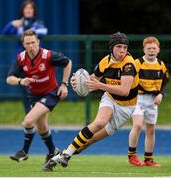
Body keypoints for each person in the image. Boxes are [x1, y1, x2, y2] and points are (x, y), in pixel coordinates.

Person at [43, 32, 139, 171]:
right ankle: (67, 155)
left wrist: (100, 86)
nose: (122, 50)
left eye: (124, 47)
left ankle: (58, 157)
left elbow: (124, 91)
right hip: (110, 99)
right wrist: (77, 82)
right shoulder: (105, 62)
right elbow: (92, 80)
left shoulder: (129, 65)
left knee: (90, 140)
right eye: (119, 47)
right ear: (112, 47)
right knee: (99, 122)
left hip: (126, 108)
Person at [6, 30, 72, 169]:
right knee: (41, 127)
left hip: (51, 93)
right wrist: (20, 81)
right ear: (23, 45)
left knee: (29, 121)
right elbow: (9, 78)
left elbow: (67, 62)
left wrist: (64, 85)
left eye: (33, 42)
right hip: (34, 96)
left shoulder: (48, 55)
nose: (31, 46)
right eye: (27, 43)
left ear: (38, 42)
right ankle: (54, 152)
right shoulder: (21, 58)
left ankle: (24, 151)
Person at [128, 36, 169, 167]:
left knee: (151, 129)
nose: (151, 50)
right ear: (144, 49)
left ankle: (148, 159)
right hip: (137, 98)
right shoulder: (137, 63)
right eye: (149, 48)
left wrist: (161, 94)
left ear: (158, 50)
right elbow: (128, 78)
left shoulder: (161, 65)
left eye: (154, 48)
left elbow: (164, 82)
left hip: (152, 100)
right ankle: (132, 155)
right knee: (138, 125)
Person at [3, 0, 48, 114]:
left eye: (30, 8)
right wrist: (12, 23)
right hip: (23, 62)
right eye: (26, 8)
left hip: (37, 62)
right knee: (25, 90)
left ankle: (38, 113)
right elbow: (5, 32)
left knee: (39, 89)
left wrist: (24, 27)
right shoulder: (18, 24)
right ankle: (29, 114)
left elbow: (42, 32)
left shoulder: (38, 23)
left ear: (34, 11)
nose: (28, 10)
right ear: (22, 11)